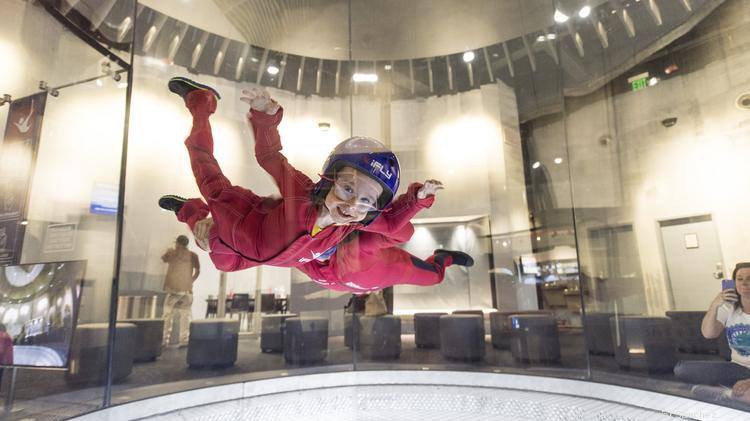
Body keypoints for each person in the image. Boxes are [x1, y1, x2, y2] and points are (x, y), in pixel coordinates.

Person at [159, 77, 471, 279]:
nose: (351, 205)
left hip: (246, 256)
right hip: (235, 217)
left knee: (218, 257)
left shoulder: (355, 221)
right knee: (199, 156)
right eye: (347, 188)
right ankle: (202, 103)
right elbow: (269, 156)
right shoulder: (302, 193)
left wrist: (418, 200)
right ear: (330, 180)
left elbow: (391, 225)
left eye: (364, 201)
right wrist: (266, 116)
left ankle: (188, 210)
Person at [674, 262, 750, 398]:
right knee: (682, 369)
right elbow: (709, 333)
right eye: (740, 279)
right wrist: (714, 305)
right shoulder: (730, 307)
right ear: (734, 283)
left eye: (749, 279)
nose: (744, 283)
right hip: (737, 369)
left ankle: (726, 393)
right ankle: (733, 391)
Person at [161, 235, 200, 347]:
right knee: (185, 315)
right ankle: (184, 340)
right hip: (187, 290)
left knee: (167, 315)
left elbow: (164, 259)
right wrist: (190, 281)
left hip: (173, 289)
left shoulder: (172, 253)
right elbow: (197, 271)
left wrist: (168, 251)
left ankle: (164, 340)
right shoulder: (193, 255)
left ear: (178, 243)